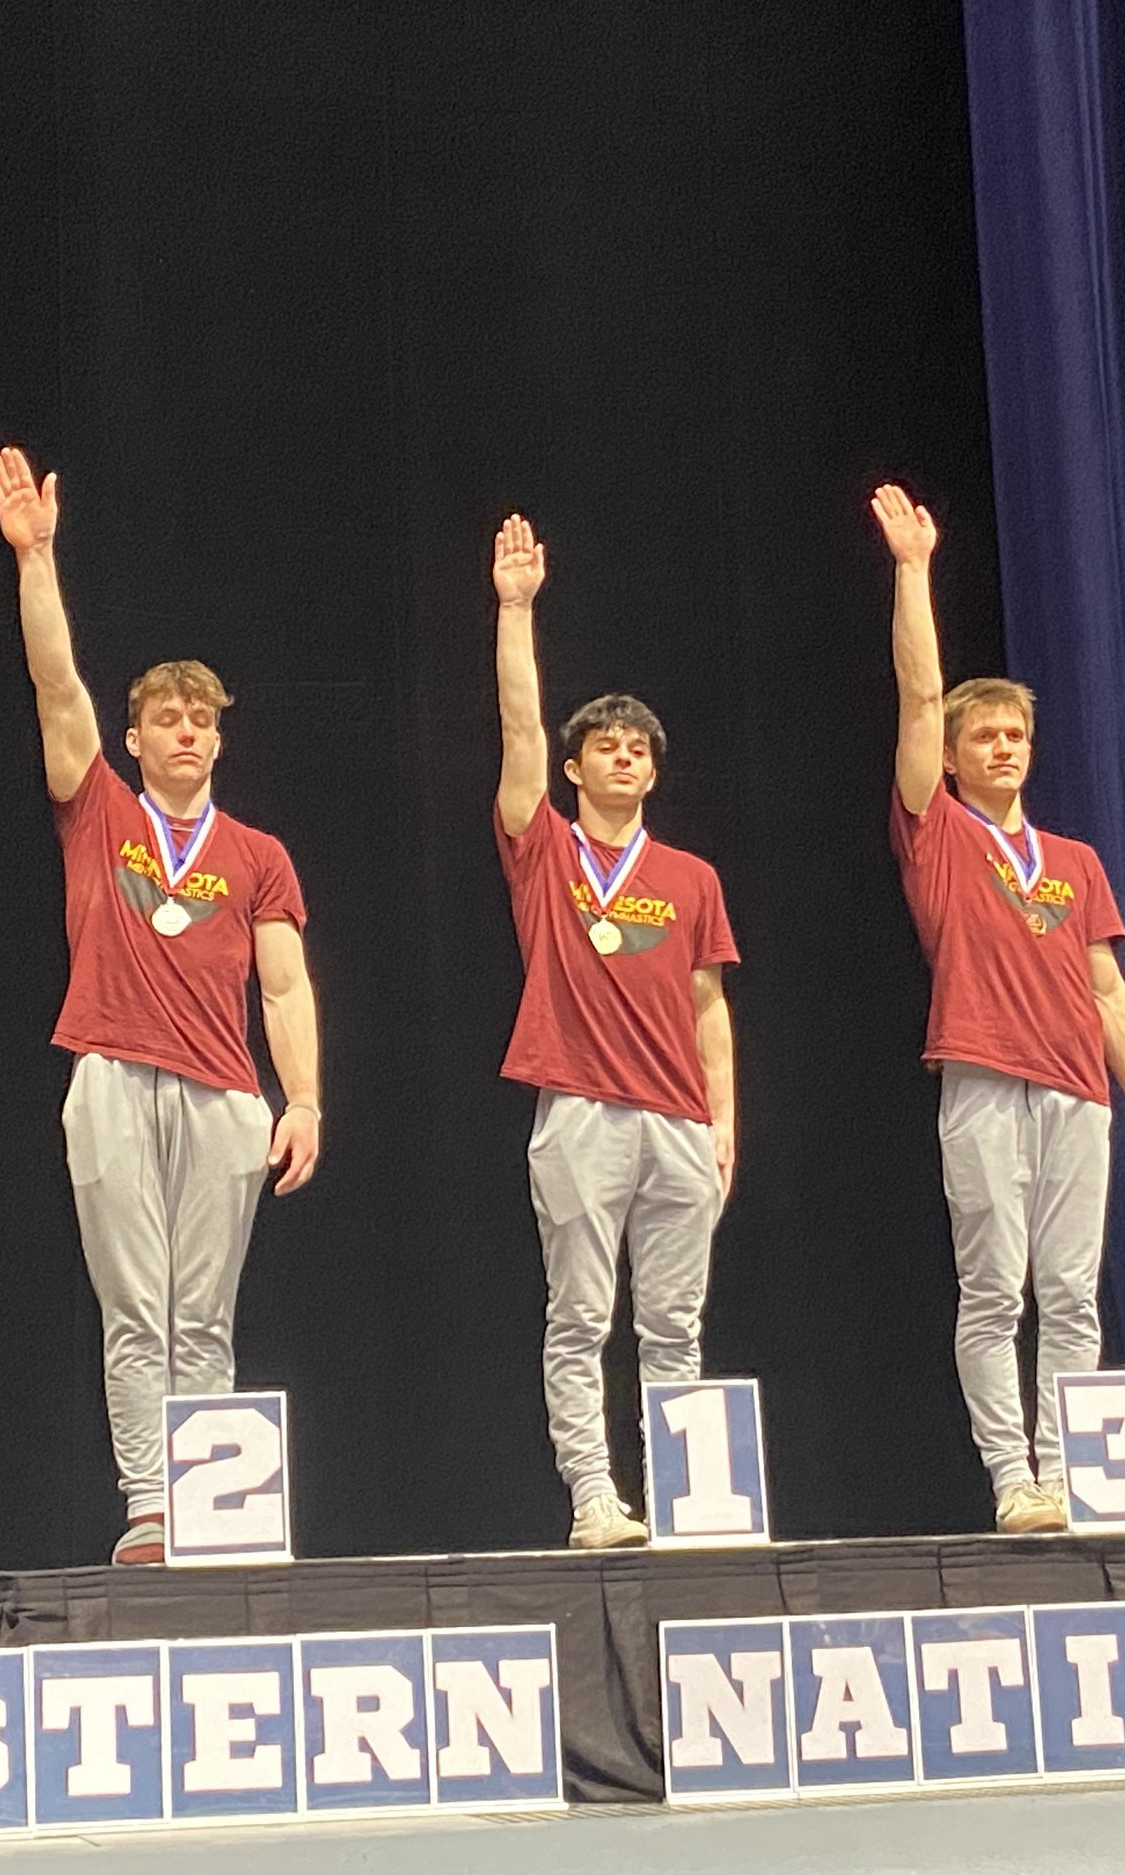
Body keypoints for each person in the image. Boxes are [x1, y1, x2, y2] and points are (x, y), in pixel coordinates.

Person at [0, 445, 322, 1566]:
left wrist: (304, 1101)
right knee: (135, 1307)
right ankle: (149, 1506)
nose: (185, 731)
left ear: (219, 739)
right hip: (114, 1073)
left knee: (203, 1317)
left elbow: (284, 982)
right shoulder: (100, 811)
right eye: (167, 717)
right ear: (133, 739)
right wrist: (36, 558)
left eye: (201, 719)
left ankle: (209, 1506)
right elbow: (56, 683)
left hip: (226, 1095)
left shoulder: (259, 853)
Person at [872, 482, 1125, 1535]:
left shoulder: (1075, 861)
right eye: (985, 737)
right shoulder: (937, 833)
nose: (1003, 748)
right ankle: (1014, 1478)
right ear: (955, 758)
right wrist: (914, 571)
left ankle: (1072, 1472)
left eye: (1016, 735)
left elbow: (1108, 991)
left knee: (1074, 1295)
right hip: (981, 1074)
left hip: (1077, 1092)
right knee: (994, 1292)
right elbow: (921, 697)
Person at [490, 512, 740, 1549]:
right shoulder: (544, 850)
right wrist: (515, 610)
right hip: (582, 1110)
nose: (625, 758)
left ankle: (682, 1496)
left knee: (674, 1325)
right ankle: (594, 1496)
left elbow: (710, 1006)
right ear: (575, 768)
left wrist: (724, 1122)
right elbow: (517, 733)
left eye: (639, 750)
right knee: (581, 1317)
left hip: (679, 1120)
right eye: (606, 746)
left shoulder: (690, 877)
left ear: (653, 772)